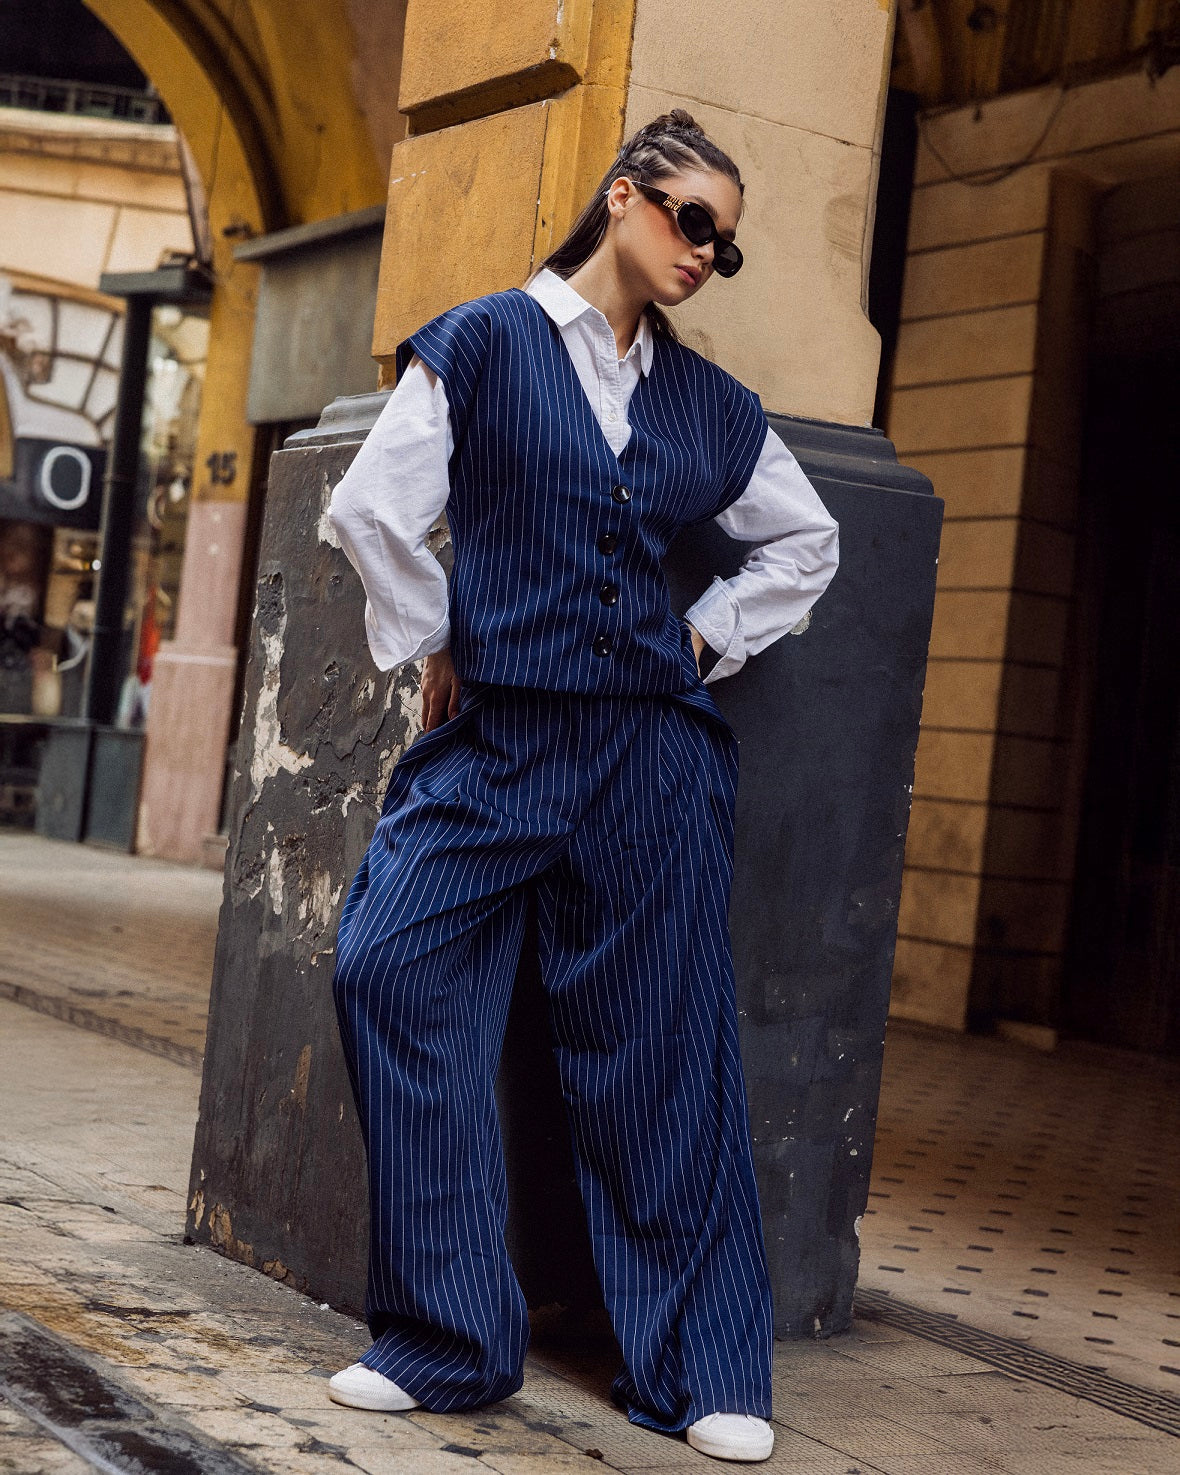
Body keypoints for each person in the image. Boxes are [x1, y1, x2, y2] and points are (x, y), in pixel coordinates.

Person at [325, 109, 839, 1464]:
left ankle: (705, 1367)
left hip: (650, 759)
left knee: (663, 1052)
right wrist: (437, 637)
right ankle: (446, 1339)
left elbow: (809, 541)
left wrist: (700, 639)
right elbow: (371, 508)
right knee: (389, 966)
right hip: (500, 739)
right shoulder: (485, 343)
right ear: (623, 196)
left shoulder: (709, 405)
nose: (704, 252)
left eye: (724, 244)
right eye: (691, 220)